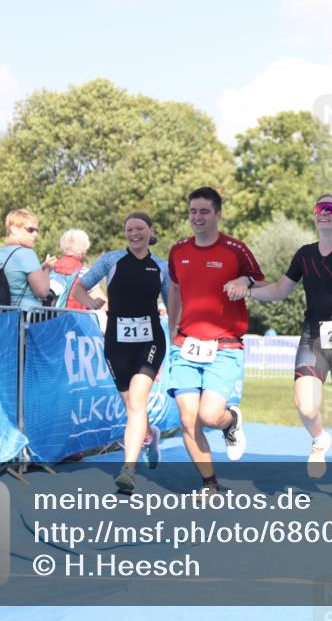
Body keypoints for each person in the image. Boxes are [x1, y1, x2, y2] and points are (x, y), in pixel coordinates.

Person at [239, 194, 332, 504]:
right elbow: (279, 291)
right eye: (319, 209)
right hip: (312, 338)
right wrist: (247, 292)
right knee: (306, 406)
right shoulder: (304, 255)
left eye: (330, 209)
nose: (323, 213)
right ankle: (320, 440)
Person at [167, 186, 265, 494]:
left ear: (218, 214)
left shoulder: (235, 250)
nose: (197, 217)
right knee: (187, 419)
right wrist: (172, 329)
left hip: (224, 347)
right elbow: (174, 289)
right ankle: (209, 483)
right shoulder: (178, 250)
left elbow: (259, 281)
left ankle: (231, 421)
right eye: (193, 211)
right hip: (184, 345)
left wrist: (243, 280)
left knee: (209, 416)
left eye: (204, 211)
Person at [71, 212, 170, 494]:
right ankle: (150, 435)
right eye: (129, 229)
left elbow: (174, 301)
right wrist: (91, 303)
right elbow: (79, 288)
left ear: (150, 231)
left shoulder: (160, 266)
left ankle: (128, 470)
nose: (134, 234)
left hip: (150, 341)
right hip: (116, 342)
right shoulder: (111, 260)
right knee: (132, 406)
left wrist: (178, 329)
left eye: (140, 229)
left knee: (137, 402)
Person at [0, 209, 56, 309]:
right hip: (25, 318)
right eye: (30, 230)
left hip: (0, 317)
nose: (35, 235)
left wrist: (41, 267)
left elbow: (16, 278)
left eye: (36, 231)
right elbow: (42, 292)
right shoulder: (27, 254)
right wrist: (47, 269)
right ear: (14, 229)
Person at [51, 229, 92, 309]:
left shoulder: (49, 268)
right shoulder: (85, 273)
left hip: (47, 319)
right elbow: (104, 305)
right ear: (82, 251)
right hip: (74, 319)